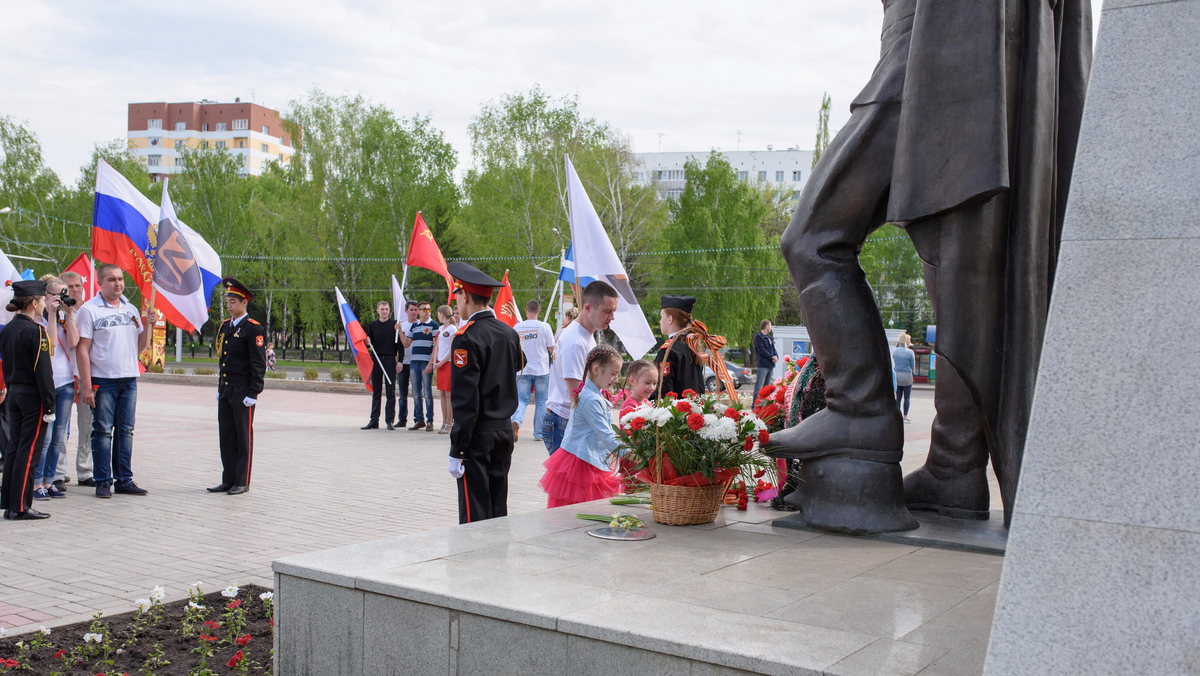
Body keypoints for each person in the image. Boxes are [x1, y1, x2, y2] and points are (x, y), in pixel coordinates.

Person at [445, 262, 523, 524]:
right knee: (497, 508)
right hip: (503, 431)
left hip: (477, 437)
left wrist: (458, 449)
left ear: (465, 295)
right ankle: (498, 559)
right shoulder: (509, 333)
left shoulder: (466, 338)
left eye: (457, 294)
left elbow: (466, 401)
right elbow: (519, 366)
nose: (456, 300)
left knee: (475, 513)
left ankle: (474, 563)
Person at [76, 264, 153, 499]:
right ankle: (102, 481)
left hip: (128, 379)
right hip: (103, 380)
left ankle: (124, 480)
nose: (118, 283)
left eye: (120, 279)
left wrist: (149, 323)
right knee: (102, 431)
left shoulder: (129, 309)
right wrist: (86, 386)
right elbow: (82, 349)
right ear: (100, 282)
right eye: (112, 279)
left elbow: (140, 345)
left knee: (126, 431)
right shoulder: (89, 311)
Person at [539, 344, 625, 508]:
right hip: (580, 461)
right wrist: (631, 453)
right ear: (596, 369)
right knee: (579, 510)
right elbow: (606, 436)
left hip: (586, 457)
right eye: (613, 374)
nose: (615, 379)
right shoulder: (590, 399)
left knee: (583, 510)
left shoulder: (593, 394)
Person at [1, 280, 56, 520]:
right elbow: (44, 373)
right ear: (34, 303)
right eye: (43, 300)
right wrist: (50, 403)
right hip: (33, 397)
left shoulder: (7, 329)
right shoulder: (36, 331)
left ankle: (10, 504)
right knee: (29, 451)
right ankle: (21, 506)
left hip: (13, 393)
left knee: (14, 448)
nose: (44, 304)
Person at [543, 282, 618, 454]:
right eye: (607, 311)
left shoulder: (585, 335)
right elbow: (578, 396)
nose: (612, 317)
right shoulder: (575, 341)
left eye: (614, 311)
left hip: (567, 419)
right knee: (570, 481)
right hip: (565, 421)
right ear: (588, 308)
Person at [207, 279, 266, 496]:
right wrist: (221, 386)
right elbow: (223, 359)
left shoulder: (253, 328)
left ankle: (242, 481)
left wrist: (254, 392)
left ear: (244, 302)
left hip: (243, 391)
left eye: (233, 302)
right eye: (227, 302)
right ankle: (228, 479)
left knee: (243, 437)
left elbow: (258, 364)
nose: (229, 306)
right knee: (227, 436)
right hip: (227, 389)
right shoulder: (225, 326)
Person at [32, 278, 78, 502]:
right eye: (58, 294)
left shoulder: (65, 317)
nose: (62, 298)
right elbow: (50, 345)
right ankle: (36, 482)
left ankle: (49, 482)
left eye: (65, 293)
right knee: (46, 438)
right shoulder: (38, 319)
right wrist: (51, 314)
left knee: (59, 437)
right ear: (47, 295)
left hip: (66, 383)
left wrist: (68, 313)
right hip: (48, 385)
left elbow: (74, 342)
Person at [511, 299, 555, 442]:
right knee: (541, 401)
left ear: (526, 310)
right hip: (541, 369)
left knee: (522, 399)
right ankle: (539, 433)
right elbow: (551, 348)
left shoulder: (517, 327)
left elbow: (513, 347)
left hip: (522, 368)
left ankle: (516, 420)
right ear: (539, 311)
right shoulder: (545, 326)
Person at [653, 295, 706, 399]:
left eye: (661, 317)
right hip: (695, 409)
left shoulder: (667, 350)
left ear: (670, 319)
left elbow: (664, 389)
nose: (660, 321)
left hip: (677, 412)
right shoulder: (693, 346)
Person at [400, 301, 438, 431]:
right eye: (424, 309)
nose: (427, 312)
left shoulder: (433, 325)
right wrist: (399, 332)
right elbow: (406, 344)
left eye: (429, 309)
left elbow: (436, 345)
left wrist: (430, 363)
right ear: (419, 311)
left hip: (425, 362)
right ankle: (419, 420)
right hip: (414, 362)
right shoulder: (414, 326)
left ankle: (430, 421)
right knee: (416, 393)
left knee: (427, 392)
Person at [361, 301, 397, 430]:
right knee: (376, 392)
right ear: (378, 311)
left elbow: (398, 345)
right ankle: (374, 420)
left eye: (387, 309)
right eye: (382, 309)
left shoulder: (394, 324)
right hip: (376, 360)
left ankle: (390, 421)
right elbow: (368, 341)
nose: (385, 311)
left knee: (390, 392)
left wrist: (400, 361)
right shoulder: (373, 325)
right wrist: (367, 341)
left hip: (390, 360)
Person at [432, 305, 457, 434]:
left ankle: (449, 422)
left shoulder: (453, 329)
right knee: (442, 394)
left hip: (448, 364)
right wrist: (435, 361)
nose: (438, 315)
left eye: (438, 313)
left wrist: (441, 362)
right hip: (440, 364)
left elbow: (452, 349)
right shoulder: (441, 329)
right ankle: (444, 421)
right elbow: (437, 346)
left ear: (442, 314)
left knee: (448, 394)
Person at [752, 320, 778, 401]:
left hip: (770, 365)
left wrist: (776, 356)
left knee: (766, 389)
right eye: (770, 326)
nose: (770, 327)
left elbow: (774, 349)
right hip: (763, 365)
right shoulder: (758, 337)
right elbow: (761, 350)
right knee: (759, 388)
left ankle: (765, 407)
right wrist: (771, 357)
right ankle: (755, 407)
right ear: (766, 326)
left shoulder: (769, 337)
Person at [892, 333, 916, 423]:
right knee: (907, 398)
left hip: (897, 375)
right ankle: (905, 416)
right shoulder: (910, 352)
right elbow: (913, 366)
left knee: (898, 397)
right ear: (906, 341)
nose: (910, 341)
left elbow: (895, 362)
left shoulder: (895, 351)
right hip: (907, 376)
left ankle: (897, 415)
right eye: (909, 340)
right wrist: (912, 375)